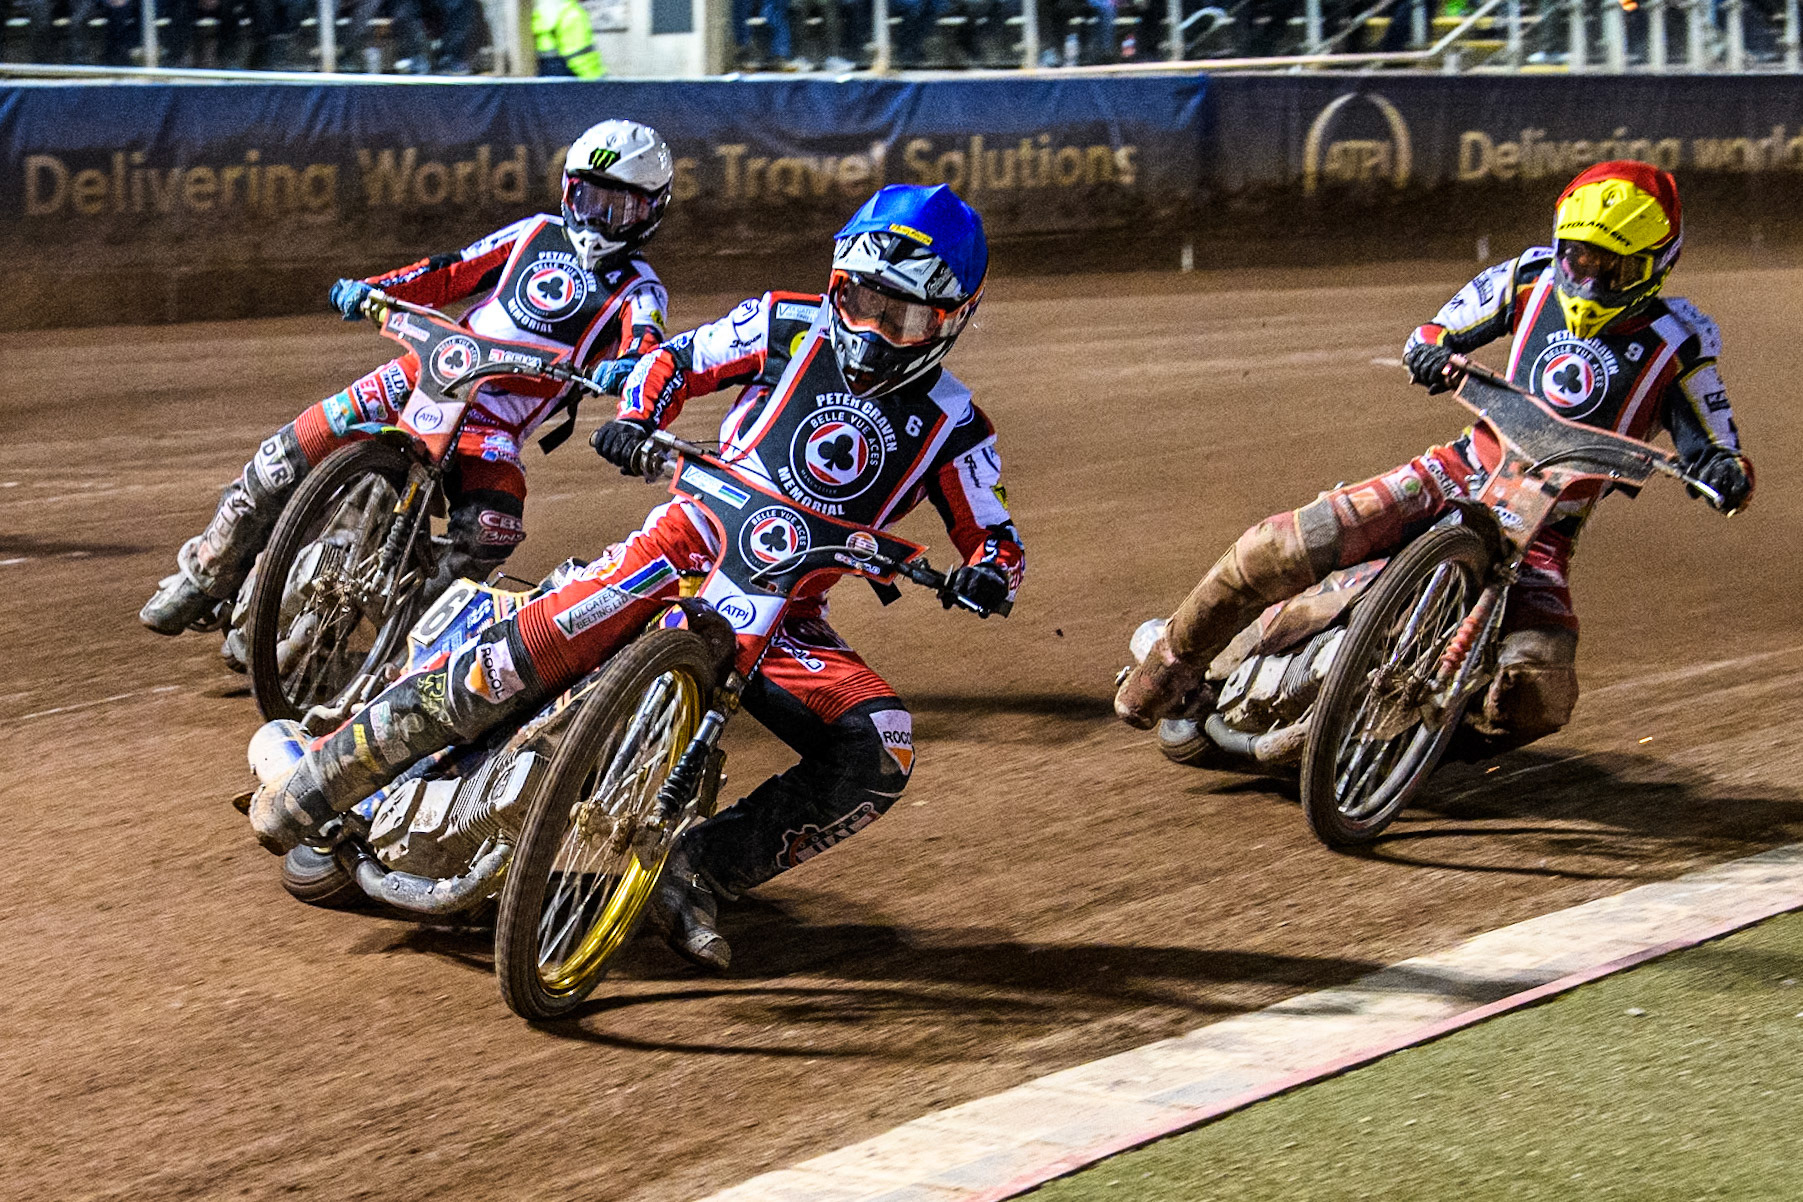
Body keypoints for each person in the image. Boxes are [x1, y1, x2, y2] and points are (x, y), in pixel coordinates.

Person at [248, 183, 1025, 971]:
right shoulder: (782, 322)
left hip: (786, 610)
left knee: (881, 744)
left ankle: (698, 870)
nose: (872, 327)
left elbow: (996, 534)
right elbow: (674, 359)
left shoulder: (957, 426)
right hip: (680, 544)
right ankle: (326, 773)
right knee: (514, 656)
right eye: (859, 299)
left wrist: (988, 575)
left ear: (952, 318)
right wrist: (637, 419)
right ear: (836, 282)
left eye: (902, 316)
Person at [1115, 160, 1753, 755]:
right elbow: (1440, 327)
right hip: (1454, 473)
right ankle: (1168, 671)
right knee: (1275, 547)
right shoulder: (1527, 277)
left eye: (1610, 269)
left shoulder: (1681, 340)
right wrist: (1431, 347)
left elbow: (1716, 442)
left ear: (1655, 266)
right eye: (1577, 258)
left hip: (1545, 534)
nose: (1586, 278)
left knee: (1539, 692)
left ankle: (1421, 748)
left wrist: (1720, 470)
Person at [141, 120, 675, 657]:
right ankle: (205, 572)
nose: (599, 218)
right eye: (589, 198)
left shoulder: (642, 288)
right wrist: (373, 290)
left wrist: (625, 370)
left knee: (493, 528)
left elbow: (647, 345)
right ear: (567, 190)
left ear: (651, 211)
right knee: (287, 451)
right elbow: (449, 272)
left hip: (494, 425)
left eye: (619, 207)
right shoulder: (532, 233)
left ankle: (402, 647)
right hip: (427, 373)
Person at [534, 0, 605, 76]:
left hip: (548, 72)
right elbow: (580, 58)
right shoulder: (572, 13)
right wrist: (599, 80)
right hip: (570, 76)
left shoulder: (544, 10)